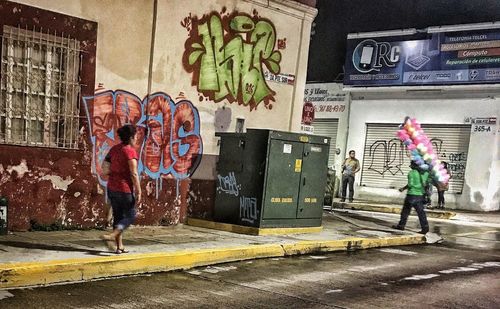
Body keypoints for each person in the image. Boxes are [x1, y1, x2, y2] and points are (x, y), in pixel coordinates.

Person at [100, 125, 142, 254]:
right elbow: (134, 173)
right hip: (124, 189)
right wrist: (139, 191)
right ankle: (113, 235)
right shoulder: (130, 151)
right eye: (135, 136)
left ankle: (119, 247)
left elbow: (105, 165)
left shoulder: (114, 149)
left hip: (112, 187)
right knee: (130, 215)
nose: (136, 138)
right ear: (131, 137)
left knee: (118, 216)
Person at [392, 161, 429, 234]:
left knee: (405, 211)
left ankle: (401, 225)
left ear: (414, 165)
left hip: (411, 195)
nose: (410, 166)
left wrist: (403, 188)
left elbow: (410, 184)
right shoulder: (425, 173)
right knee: (421, 213)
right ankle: (425, 228)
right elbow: (427, 184)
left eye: (411, 164)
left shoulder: (411, 173)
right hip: (420, 195)